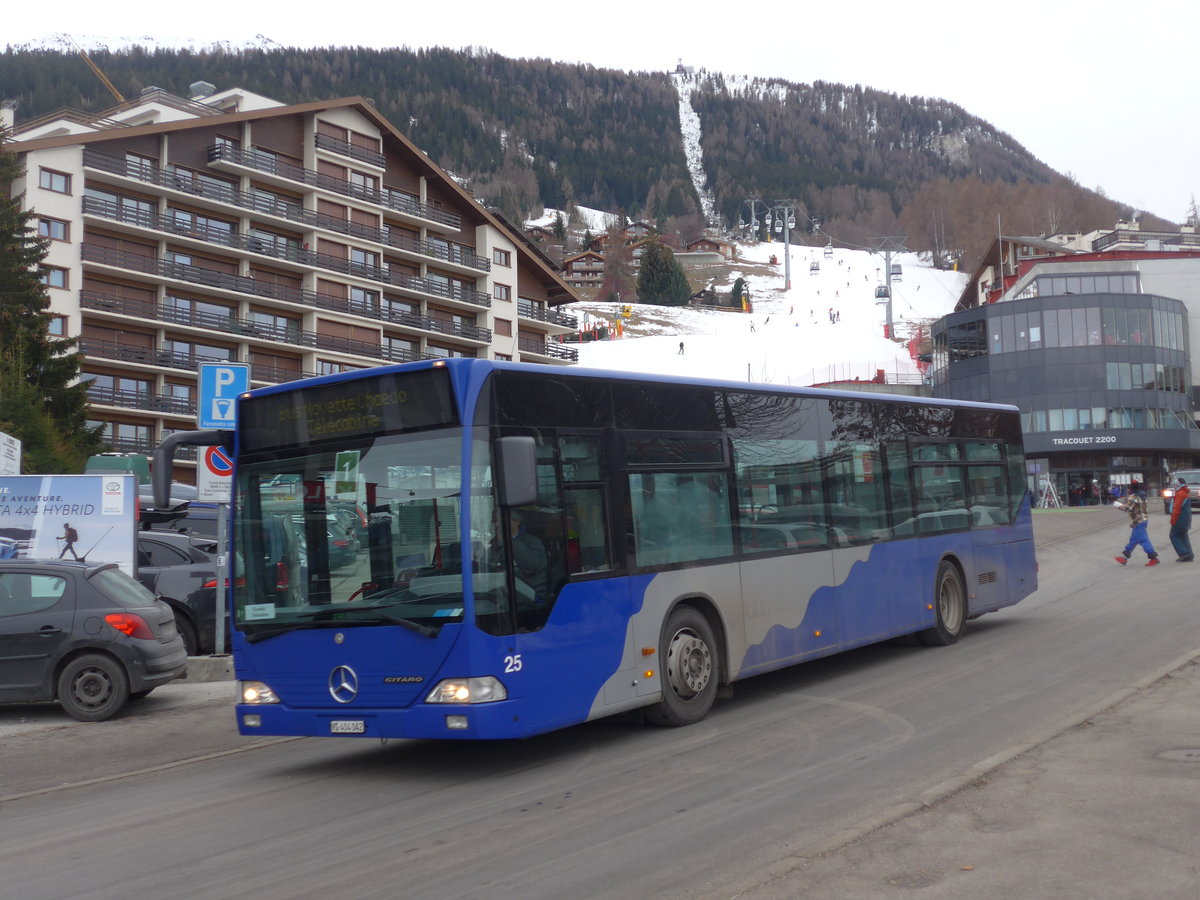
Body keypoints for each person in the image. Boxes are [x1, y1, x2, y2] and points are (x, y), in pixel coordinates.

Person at [1114, 482, 1159, 566]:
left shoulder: (1133, 497)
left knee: (1143, 540)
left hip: (1138, 521)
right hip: (1143, 520)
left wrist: (1118, 505)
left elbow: (1127, 508)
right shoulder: (1143, 496)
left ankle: (1153, 557)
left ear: (1131, 488)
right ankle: (1124, 557)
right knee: (1133, 540)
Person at [509, 510, 548, 598]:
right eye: (494, 520)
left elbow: (532, 566)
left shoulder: (533, 542)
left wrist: (510, 541)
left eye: (498, 520)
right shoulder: (496, 543)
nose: (496, 524)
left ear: (516, 522)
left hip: (530, 598)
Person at [1169, 476, 1193, 562]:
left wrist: (1173, 520)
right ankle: (1189, 555)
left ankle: (1183, 553)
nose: (1174, 486)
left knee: (1173, 535)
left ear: (1178, 484)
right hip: (1186, 519)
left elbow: (1176, 509)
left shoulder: (1180, 494)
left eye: (1175, 484)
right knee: (1183, 536)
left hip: (1180, 519)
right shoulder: (1185, 492)